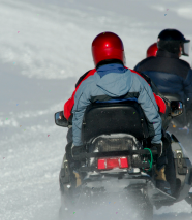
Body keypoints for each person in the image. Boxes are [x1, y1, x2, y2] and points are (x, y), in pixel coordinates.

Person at [66, 31, 173, 193]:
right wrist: (155, 143)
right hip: (134, 139)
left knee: (71, 148)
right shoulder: (137, 79)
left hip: (97, 142)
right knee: (164, 139)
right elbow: (153, 113)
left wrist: (78, 147)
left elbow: (76, 114)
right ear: (120, 52)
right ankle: (160, 174)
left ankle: (78, 178)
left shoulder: (87, 83)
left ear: (95, 54)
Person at [134, 29, 192, 167]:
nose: (182, 49)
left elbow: (134, 88)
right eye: (181, 45)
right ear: (175, 46)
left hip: (148, 117)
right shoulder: (184, 68)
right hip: (177, 117)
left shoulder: (143, 65)